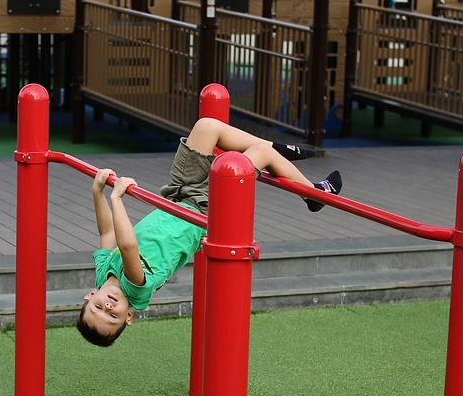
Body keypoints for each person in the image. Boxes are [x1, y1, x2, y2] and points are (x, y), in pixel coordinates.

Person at [77, 118, 341, 346]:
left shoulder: (103, 274)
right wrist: (117, 198)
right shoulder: (136, 292)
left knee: (206, 127)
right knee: (259, 153)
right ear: (129, 316)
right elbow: (127, 247)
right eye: (113, 315)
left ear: (91, 295)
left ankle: (279, 153)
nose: (108, 306)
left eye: (98, 307)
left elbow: (107, 233)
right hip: (201, 209)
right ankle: (315, 195)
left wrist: (97, 191)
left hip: (178, 194)